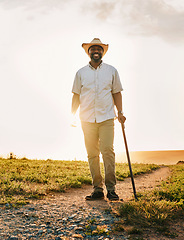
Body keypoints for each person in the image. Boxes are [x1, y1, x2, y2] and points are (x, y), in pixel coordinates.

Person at [71, 38, 126, 201]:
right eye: (93, 49)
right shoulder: (80, 73)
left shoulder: (111, 71)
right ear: (88, 52)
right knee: (92, 154)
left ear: (103, 52)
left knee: (107, 151)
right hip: (86, 119)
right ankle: (97, 189)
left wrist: (121, 112)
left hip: (107, 117)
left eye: (99, 49)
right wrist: (72, 115)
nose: (96, 51)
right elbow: (76, 95)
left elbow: (117, 92)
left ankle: (111, 189)